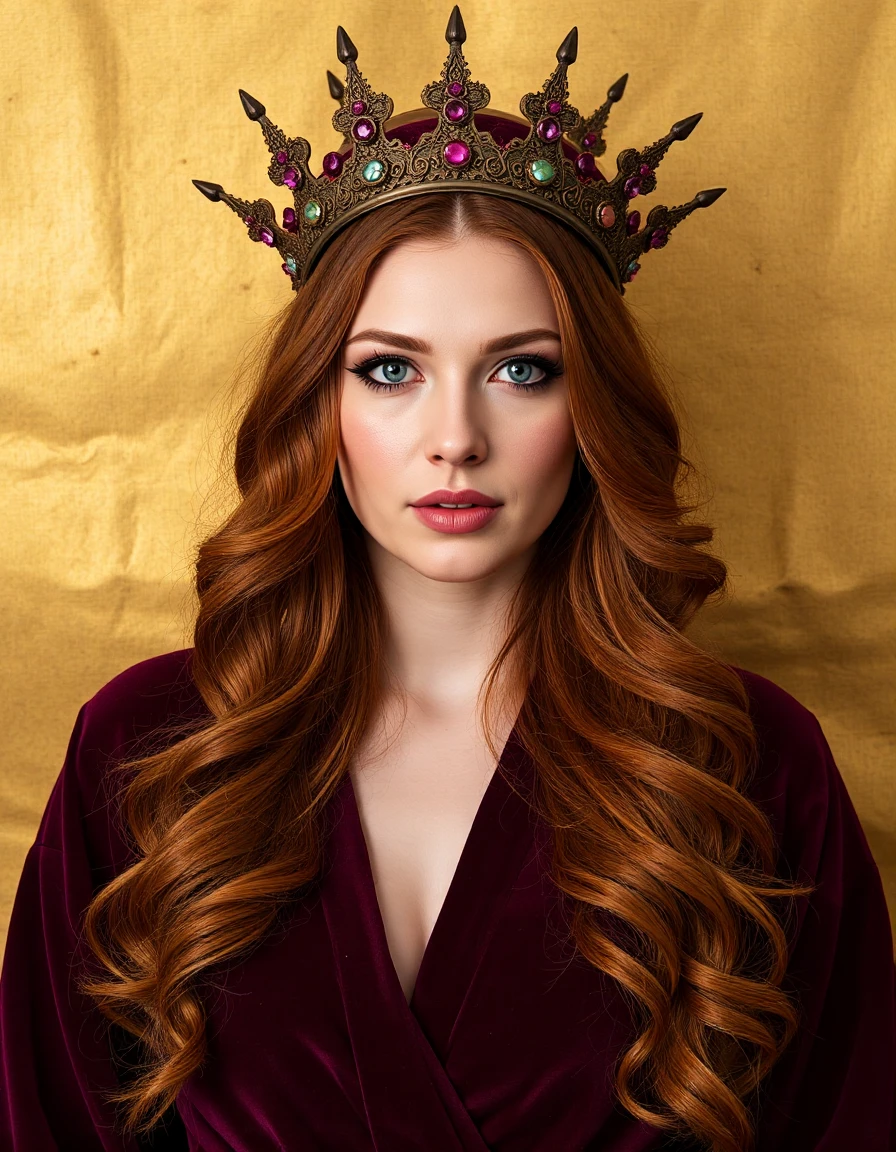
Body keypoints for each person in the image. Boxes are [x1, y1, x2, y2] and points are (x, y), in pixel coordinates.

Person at [1, 10, 894, 1152]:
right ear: (315, 404)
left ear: (592, 412)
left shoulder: (743, 769)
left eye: (520, 370)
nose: (455, 437)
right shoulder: (156, 753)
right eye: (389, 371)